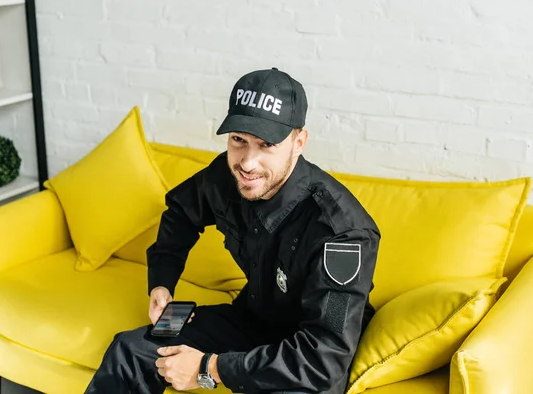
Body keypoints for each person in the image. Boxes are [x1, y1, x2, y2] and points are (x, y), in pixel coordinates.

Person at [84, 67, 380, 394]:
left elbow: (323, 359)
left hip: (306, 350)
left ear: (299, 142)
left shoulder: (342, 233)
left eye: (266, 144)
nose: (248, 162)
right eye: (238, 139)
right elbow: (181, 211)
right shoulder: (230, 177)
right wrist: (161, 283)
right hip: (251, 318)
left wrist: (207, 367)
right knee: (131, 350)